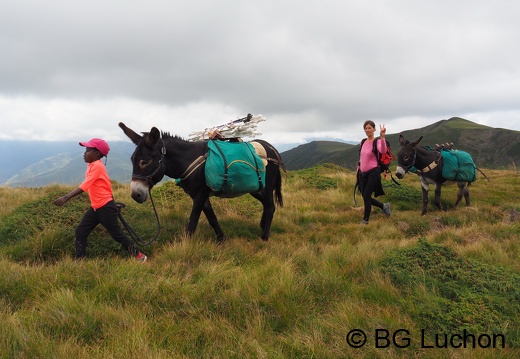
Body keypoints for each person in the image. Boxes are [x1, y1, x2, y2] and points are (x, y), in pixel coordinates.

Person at [54, 138, 147, 262]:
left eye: (88, 150)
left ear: (97, 154)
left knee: (117, 235)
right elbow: (107, 185)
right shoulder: (92, 165)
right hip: (96, 207)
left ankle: (139, 256)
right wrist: (113, 203)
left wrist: (66, 197)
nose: (84, 153)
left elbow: (85, 186)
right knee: (81, 231)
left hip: (104, 207)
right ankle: (79, 260)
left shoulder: (97, 166)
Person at [357, 120, 391, 224]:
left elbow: (384, 151)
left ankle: (365, 220)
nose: (367, 130)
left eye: (369, 128)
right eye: (366, 128)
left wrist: (382, 136)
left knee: (366, 196)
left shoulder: (377, 142)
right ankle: (384, 206)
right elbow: (361, 158)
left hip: (373, 173)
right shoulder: (363, 142)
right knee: (365, 196)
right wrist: (358, 169)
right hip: (362, 173)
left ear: (374, 129)